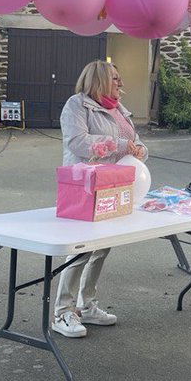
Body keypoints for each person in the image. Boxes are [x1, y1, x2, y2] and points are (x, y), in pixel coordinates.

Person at [53, 60, 148, 338]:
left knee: (103, 247)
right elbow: (77, 142)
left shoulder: (118, 109)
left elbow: (135, 140)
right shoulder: (76, 105)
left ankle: (87, 304)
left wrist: (140, 150)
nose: (120, 82)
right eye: (114, 78)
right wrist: (120, 146)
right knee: (81, 249)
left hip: (114, 187)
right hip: (84, 187)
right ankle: (63, 312)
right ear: (99, 80)